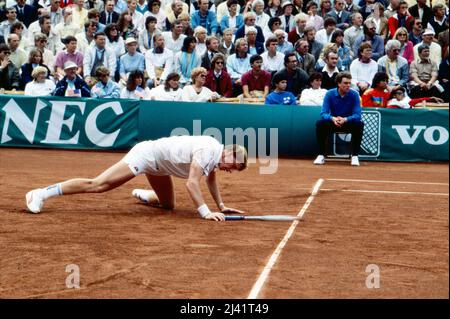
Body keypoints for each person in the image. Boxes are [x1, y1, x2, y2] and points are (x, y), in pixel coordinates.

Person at [25, 135, 248, 223]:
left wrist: (221, 205)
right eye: (233, 166)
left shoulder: (216, 154)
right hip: (146, 156)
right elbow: (191, 183)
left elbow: (211, 179)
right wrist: (206, 212)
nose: (230, 170)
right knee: (99, 185)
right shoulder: (209, 150)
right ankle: (41, 193)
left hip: (160, 167)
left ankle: (144, 193)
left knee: (168, 205)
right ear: (229, 154)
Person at [313, 72, 364, 167]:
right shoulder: (329, 94)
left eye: (349, 83)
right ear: (338, 83)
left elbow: (357, 115)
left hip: (348, 123)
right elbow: (323, 113)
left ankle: (355, 156)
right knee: (320, 124)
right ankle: (320, 155)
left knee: (359, 124)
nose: (348, 85)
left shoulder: (355, 95)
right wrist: (332, 118)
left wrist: (345, 119)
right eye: (345, 83)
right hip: (333, 122)